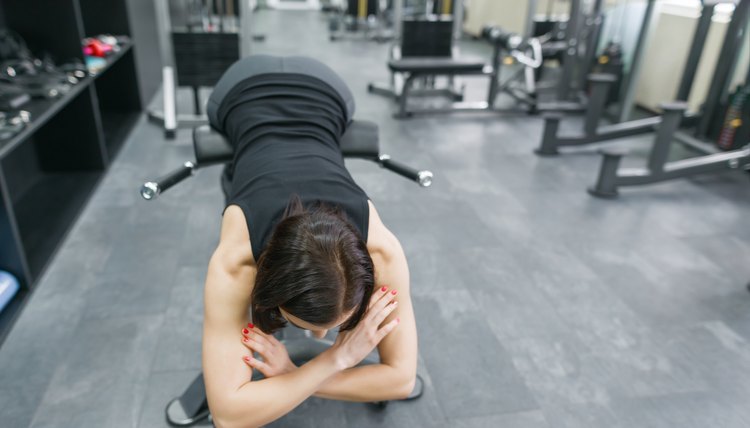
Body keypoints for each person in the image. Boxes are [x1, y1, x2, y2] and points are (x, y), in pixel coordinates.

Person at [201, 55, 418, 428]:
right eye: (304, 325)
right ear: (263, 287)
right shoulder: (235, 264)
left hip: (326, 87)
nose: (323, 336)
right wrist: (334, 360)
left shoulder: (382, 251)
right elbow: (228, 415)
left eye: (339, 326)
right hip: (240, 86)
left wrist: (295, 372)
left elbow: (401, 380)